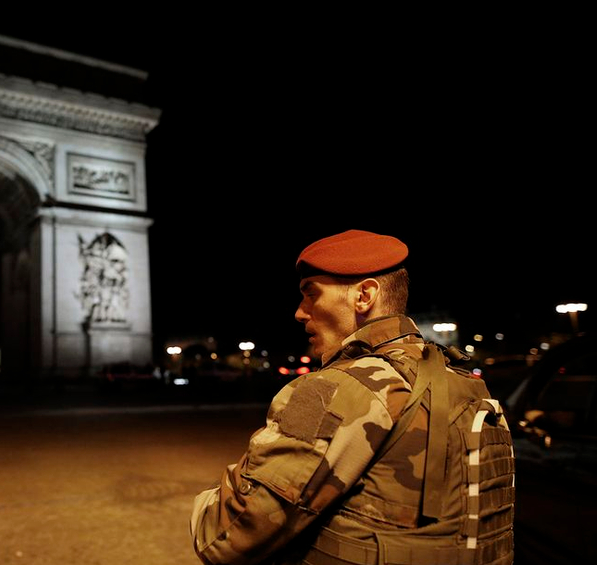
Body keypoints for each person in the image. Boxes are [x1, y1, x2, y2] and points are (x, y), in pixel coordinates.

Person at [190, 229, 515, 565]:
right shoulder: (464, 382)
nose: (300, 313)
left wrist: (228, 482)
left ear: (364, 296)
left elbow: (223, 537)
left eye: (311, 294)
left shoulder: (340, 388)